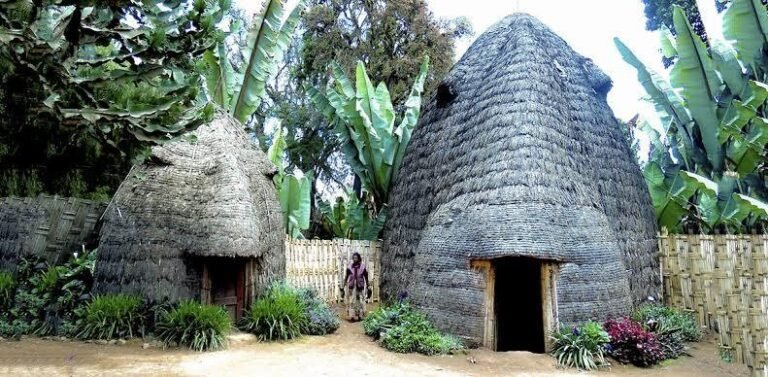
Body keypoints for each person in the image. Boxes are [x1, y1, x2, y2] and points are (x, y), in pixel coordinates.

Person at [343, 252, 371, 321]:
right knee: (352, 301)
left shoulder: (362, 267)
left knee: (360, 300)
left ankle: (360, 316)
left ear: (359, 258)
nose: (355, 259)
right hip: (352, 287)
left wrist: (368, 285)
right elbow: (346, 277)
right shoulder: (349, 267)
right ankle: (352, 316)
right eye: (354, 258)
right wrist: (343, 286)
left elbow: (366, 276)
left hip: (360, 286)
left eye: (356, 258)